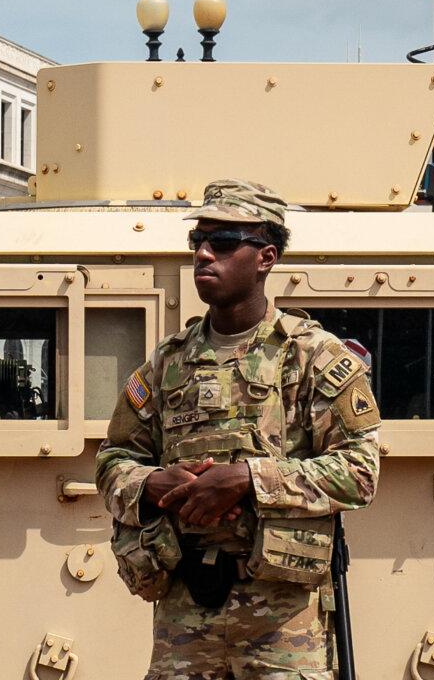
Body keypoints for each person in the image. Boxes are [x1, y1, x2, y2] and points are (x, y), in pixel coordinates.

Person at [96, 179, 381, 680]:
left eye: (224, 243)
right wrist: (150, 485)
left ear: (265, 257)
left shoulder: (312, 356)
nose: (204, 254)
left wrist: (249, 479)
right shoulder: (168, 364)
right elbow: (113, 461)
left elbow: (360, 470)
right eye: (198, 243)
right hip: (185, 610)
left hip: (283, 619)